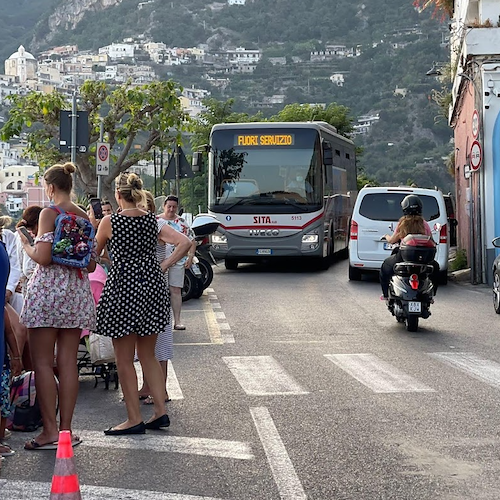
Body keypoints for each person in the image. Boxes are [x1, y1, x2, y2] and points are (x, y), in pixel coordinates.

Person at [93, 173, 191, 435]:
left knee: (124, 359)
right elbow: (184, 242)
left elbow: (92, 258)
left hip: (123, 290)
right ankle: (160, 411)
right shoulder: (153, 222)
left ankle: (134, 418)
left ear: (117, 195)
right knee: (148, 355)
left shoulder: (109, 222)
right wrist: (164, 265)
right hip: (152, 289)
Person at [17, 162, 96, 450]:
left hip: (48, 294)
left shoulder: (50, 213)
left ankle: (49, 431)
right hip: (75, 293)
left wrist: (27, 244)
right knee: (68, 363)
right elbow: (89, 263)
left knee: (42, 363)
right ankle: (66, 431)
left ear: (50, 187)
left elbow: (44, 257)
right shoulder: (83, 215)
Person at [137, 191, 173, 404]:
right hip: (146, 291)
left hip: (155, 291)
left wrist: (164, 266)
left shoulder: (156, 226)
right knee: (145, 347)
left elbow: (183, 243)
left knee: (159, 347)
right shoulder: (144, 227)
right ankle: (147, 386)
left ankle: (163, 390)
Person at [379, 194, 438, 299]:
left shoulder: (403, 223)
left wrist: (386, 236)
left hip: (404, 257)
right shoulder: (424, 223)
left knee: (385, 268)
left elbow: (392, 240)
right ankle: (432, 295)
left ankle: (385, 295)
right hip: (422, 259)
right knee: (436, 268)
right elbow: (431, 239)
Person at [159, 195, 196, 331]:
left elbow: (191, 240)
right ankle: (162, 321)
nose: (171, 209)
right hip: (160, 261)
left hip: (177, 261)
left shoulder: (181, 222)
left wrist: (190, 257)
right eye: (169, 206)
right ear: (164, 206)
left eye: (174, 207)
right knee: (160, 291)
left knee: (175, 290)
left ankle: (177, 320)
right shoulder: (157, 220)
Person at [0, 217, 23, 315]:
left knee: (20, 329)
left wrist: (9, 289)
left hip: (7, 291)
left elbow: (15, 266)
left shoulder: (8, 236)